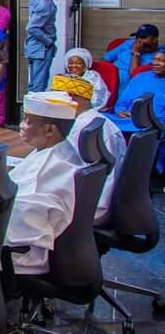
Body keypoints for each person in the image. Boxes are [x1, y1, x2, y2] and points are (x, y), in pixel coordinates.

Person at [6, 91, 82, 274]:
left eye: (28, 121)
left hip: (22, 258)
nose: (21, 126)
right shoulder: (60, 150)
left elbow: (16, 229)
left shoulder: (42, 175)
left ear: (49, 130)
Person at [49, 75, 126, 225]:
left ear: (72, 98)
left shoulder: (80, 129)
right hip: (101, 199)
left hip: (92, 207)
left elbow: (63, 172)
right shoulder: (98, 121)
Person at [25, 0, 72, 92]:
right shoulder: (47, 6)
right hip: (42, 49)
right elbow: (32, 28)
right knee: (39, 85)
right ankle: (34, 113)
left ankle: (29, 111)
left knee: (33, 83)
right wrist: (49, 42)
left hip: (32, 48)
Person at [104, 24, 160, 94]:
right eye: (137, 37)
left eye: (143, 37)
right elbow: (106, 58)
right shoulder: (129, 43)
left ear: (154, 40)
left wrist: (135, 53)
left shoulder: (158, 58)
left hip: (127, 91)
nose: (138, 40)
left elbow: (134, 76)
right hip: (106, 83)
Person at [112, 50, 165, 122]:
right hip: (128, 119)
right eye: (155, 60)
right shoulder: (140, 77)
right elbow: (123, 101)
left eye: (161, 61)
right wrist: (121, 111)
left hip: (155, 124)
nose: (156, 63)